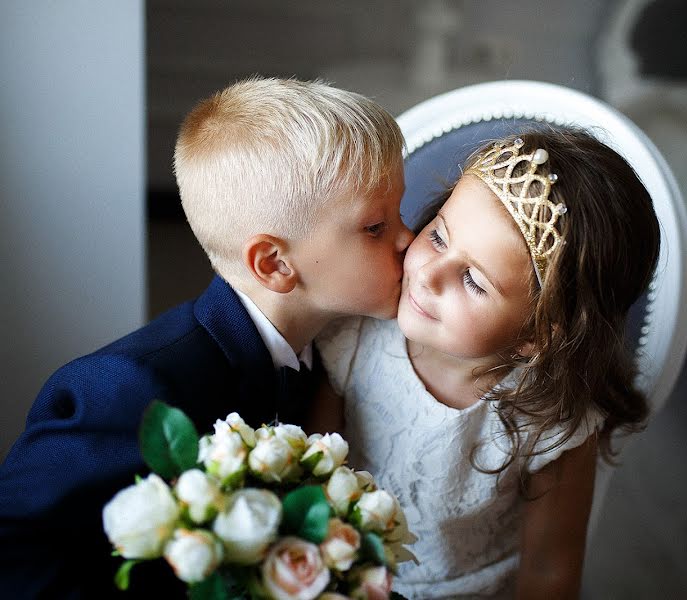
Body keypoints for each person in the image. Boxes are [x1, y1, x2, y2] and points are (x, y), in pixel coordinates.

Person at [0, 77, 412, 598]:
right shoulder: (132, 387)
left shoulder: (325, 355)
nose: (408, 238)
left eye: (401, 211)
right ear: (275, 263)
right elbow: (14, 548)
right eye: (376, 226)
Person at [316, 126, 661, 598]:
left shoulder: (550, 422)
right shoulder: (353, 338)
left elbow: (549, 569)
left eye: (474, 281)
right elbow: (309, 482)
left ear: (536, 335)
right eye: (438, 235)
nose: (427, 274)